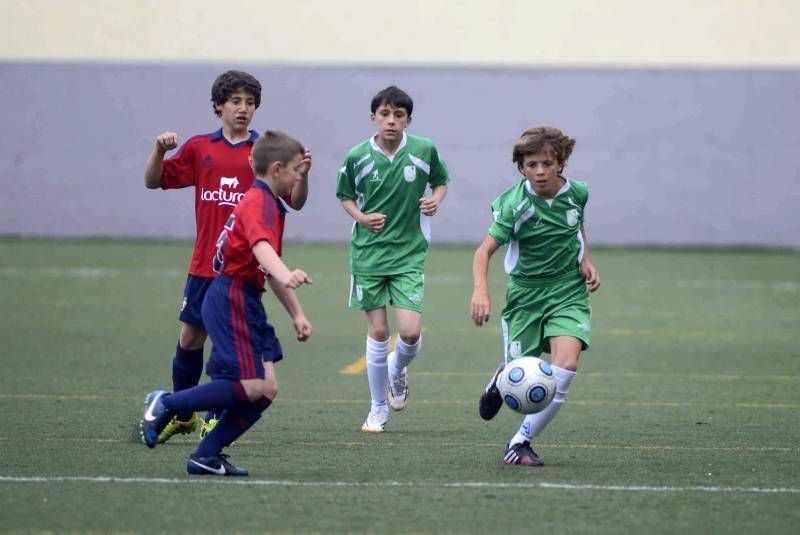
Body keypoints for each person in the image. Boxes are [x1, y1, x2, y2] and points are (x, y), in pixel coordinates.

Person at [143, 70, 311, 443]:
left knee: (233, 352)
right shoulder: (200, 148)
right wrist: (159, 151)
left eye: (250, 103)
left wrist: (304, 175)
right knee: (190, 339)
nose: (243, 109)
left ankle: (209, 418)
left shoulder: (265, 156)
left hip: (242, 272)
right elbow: (154, 181)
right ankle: (183, 414)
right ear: (218, 105)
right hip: (206, 265)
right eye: (235, 101)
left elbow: (295, 203)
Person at [470, 126, 600, 466]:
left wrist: (585, 259)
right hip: (525, 296)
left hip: (568, 290)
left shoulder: (578, 193)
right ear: (521, 168)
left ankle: (520, 442)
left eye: (546, 163)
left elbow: (577, 224)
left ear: (560, 164)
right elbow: (483, 252)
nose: (540, 171)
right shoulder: (515, 205)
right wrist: (481, 290)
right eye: (532, 165)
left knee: (565, 368)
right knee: (521, 372)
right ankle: (502, 378)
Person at [335, 86, 450, 432]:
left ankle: (397, 370)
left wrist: (436, 200)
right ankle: (377, 408)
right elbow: (344, 196)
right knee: (379, 329)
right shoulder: (357, 155)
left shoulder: (423, 149)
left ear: (408, 120)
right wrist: (361, 217)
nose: (391, 120)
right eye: (385, 114)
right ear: (373, 118)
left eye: (398, 115)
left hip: (408, 252)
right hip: (368, 255)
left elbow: (441, 181)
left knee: (410, 332)